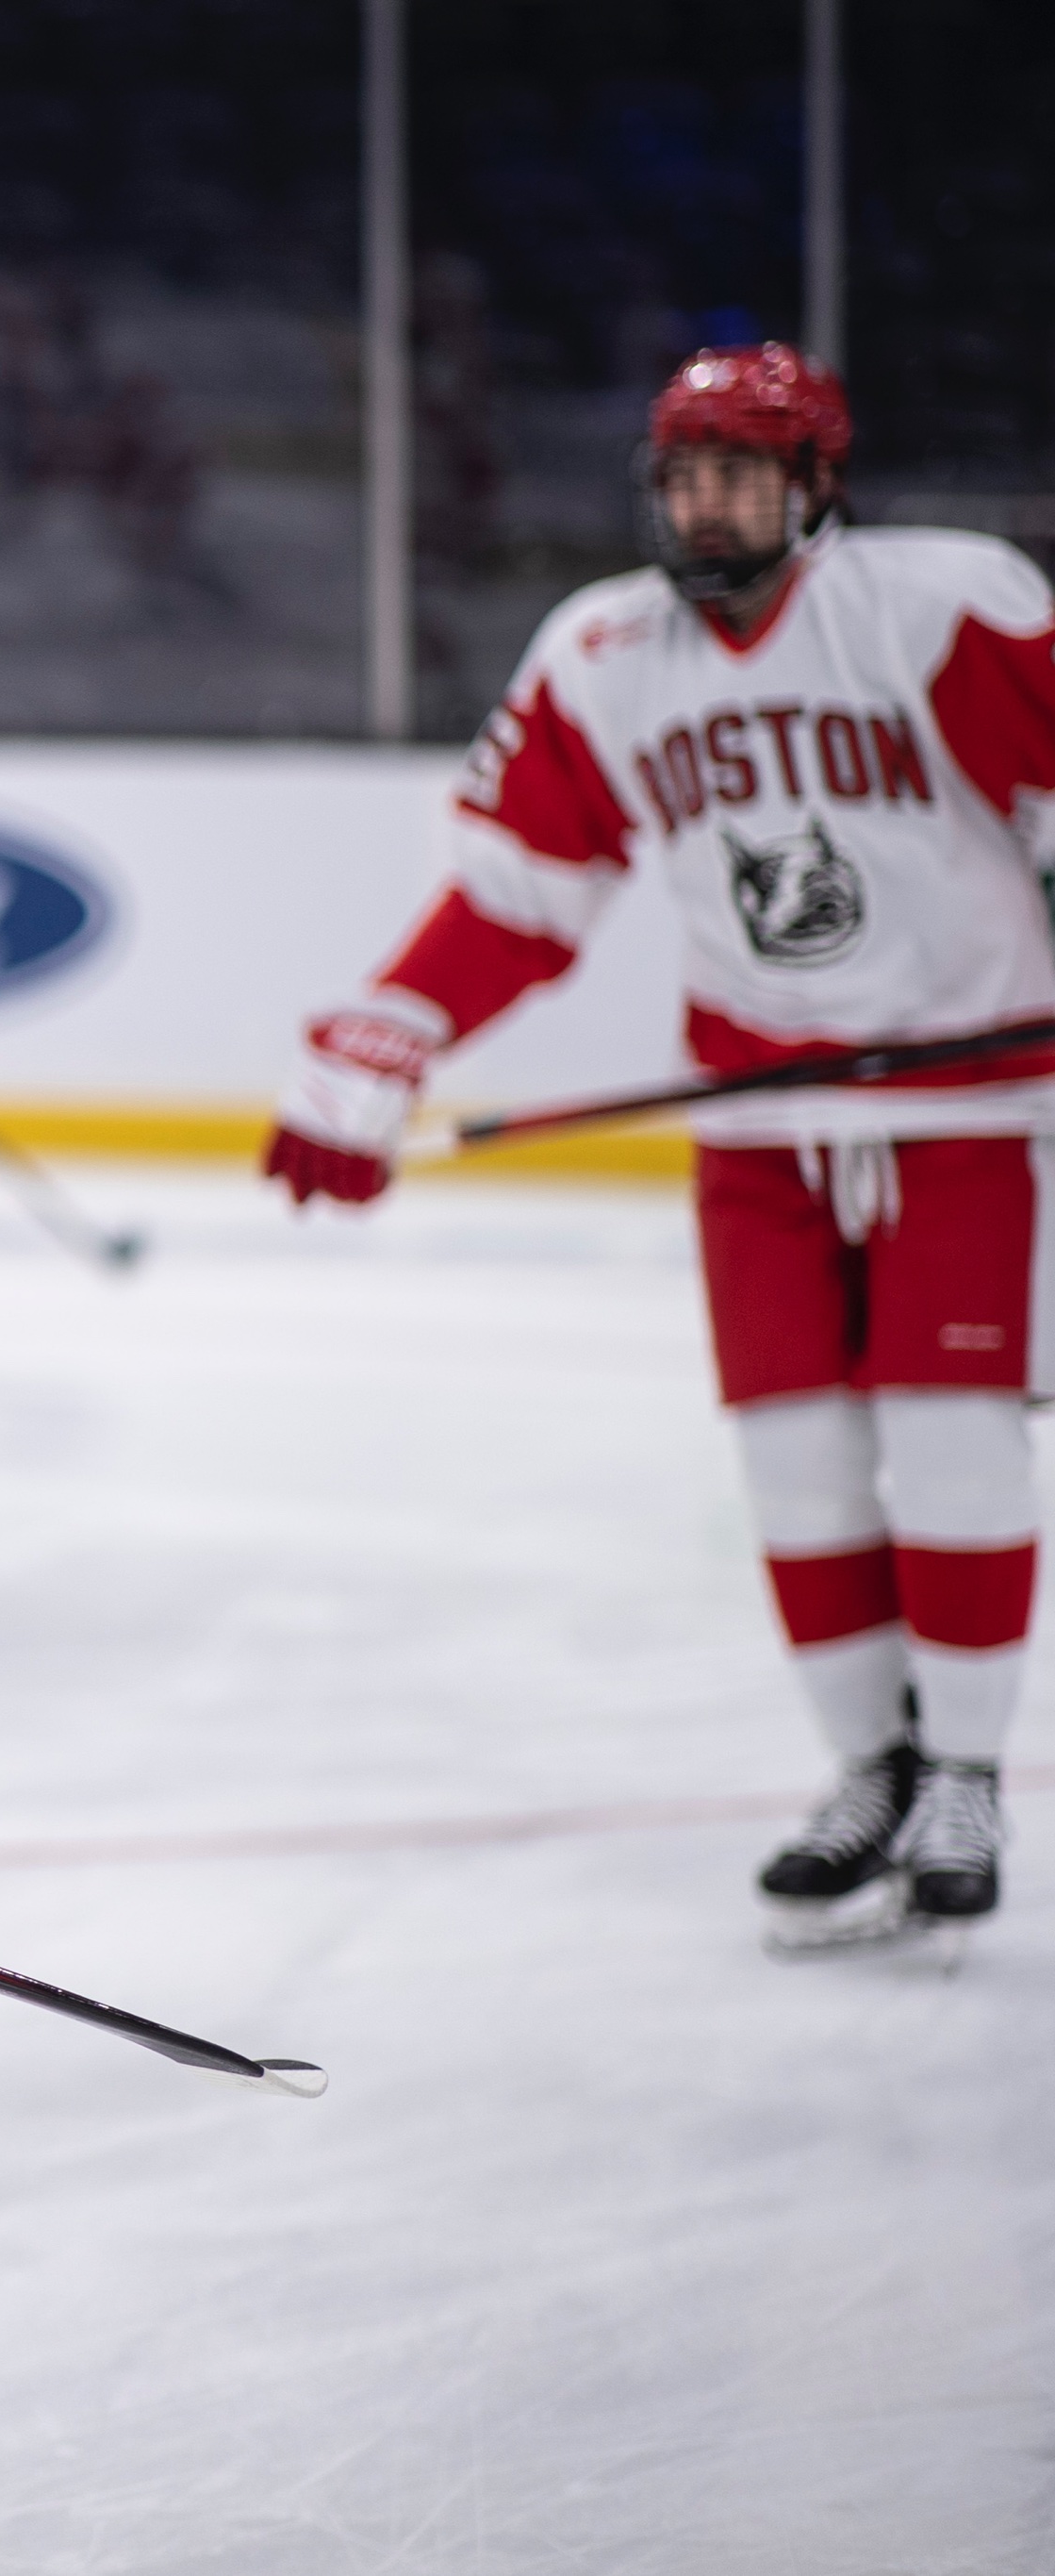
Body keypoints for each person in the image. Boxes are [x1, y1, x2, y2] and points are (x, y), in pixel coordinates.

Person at [263, 343, 1055, 1940]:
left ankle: (964, 1772)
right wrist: (388, 1032)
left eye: (741, 474)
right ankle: (865, 1770)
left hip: (959, 1116)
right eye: (684, 475)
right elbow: (517, 894)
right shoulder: (605, 655)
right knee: (794, 1462)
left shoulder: (939, 606)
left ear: (814, 483)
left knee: (951, 1434)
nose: (706, 505)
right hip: (756, 1127)